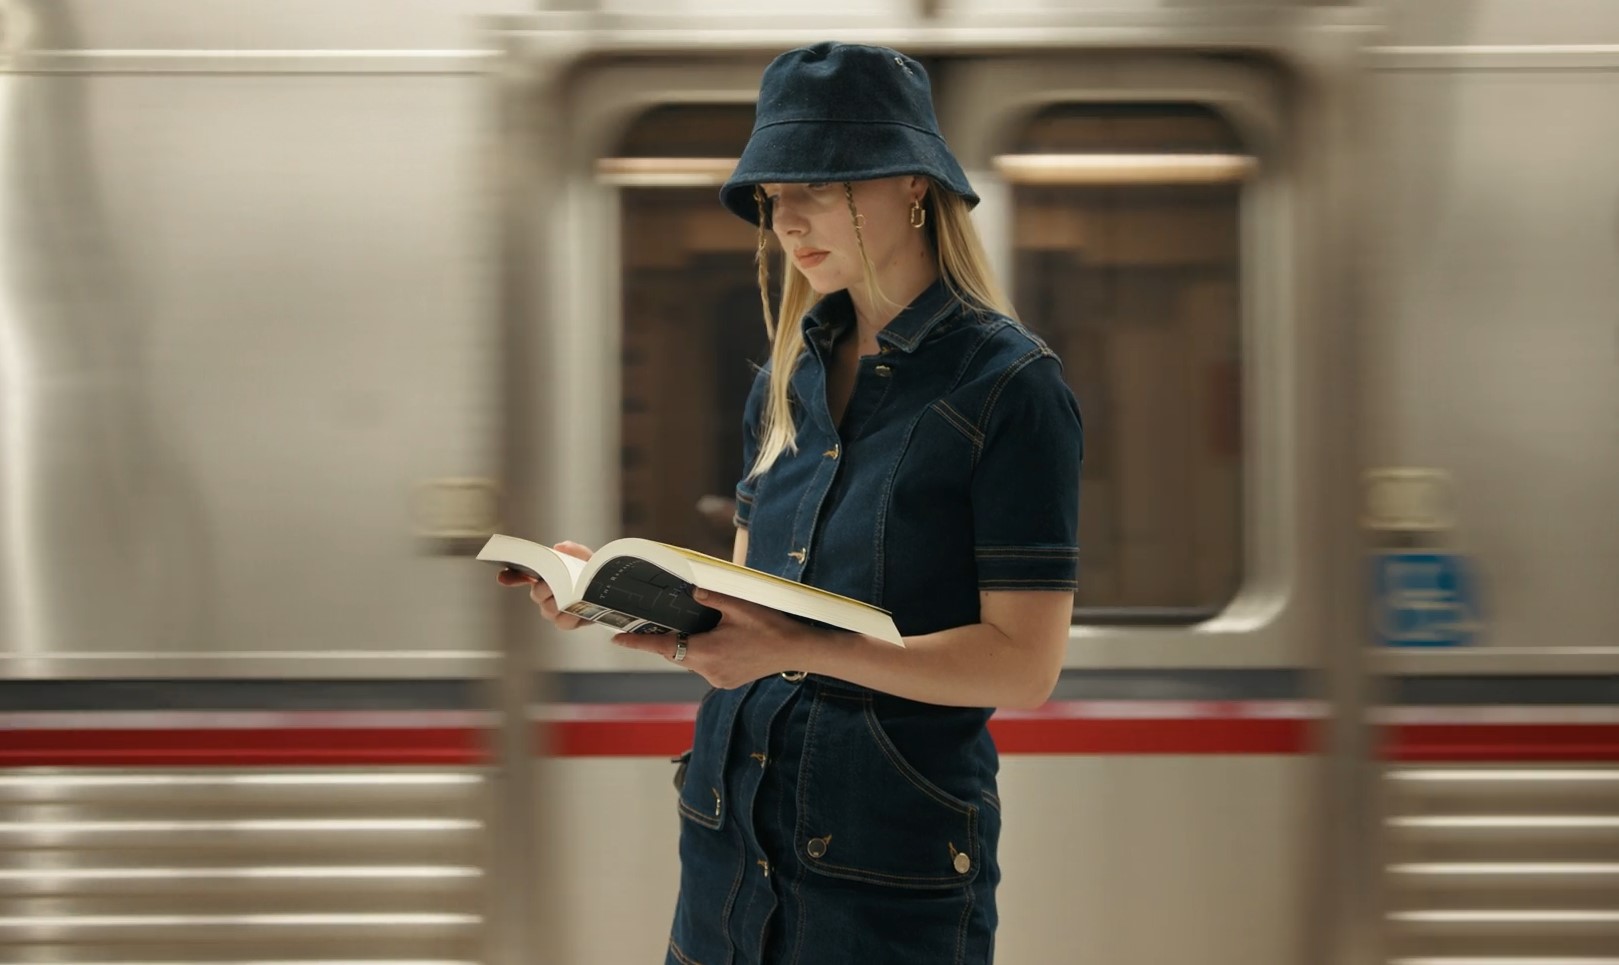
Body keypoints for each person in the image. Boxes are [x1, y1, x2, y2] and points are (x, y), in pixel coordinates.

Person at [500, 41, 1083, 965]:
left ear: (912, 187)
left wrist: (799, 650)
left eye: (818, 186)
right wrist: (634, 603)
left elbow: (1022, 667)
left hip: (883, 856)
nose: (788, 223)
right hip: (729, 835)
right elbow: (754, 606)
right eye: (772, 200)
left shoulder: (1008, 386)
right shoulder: (786, 381)